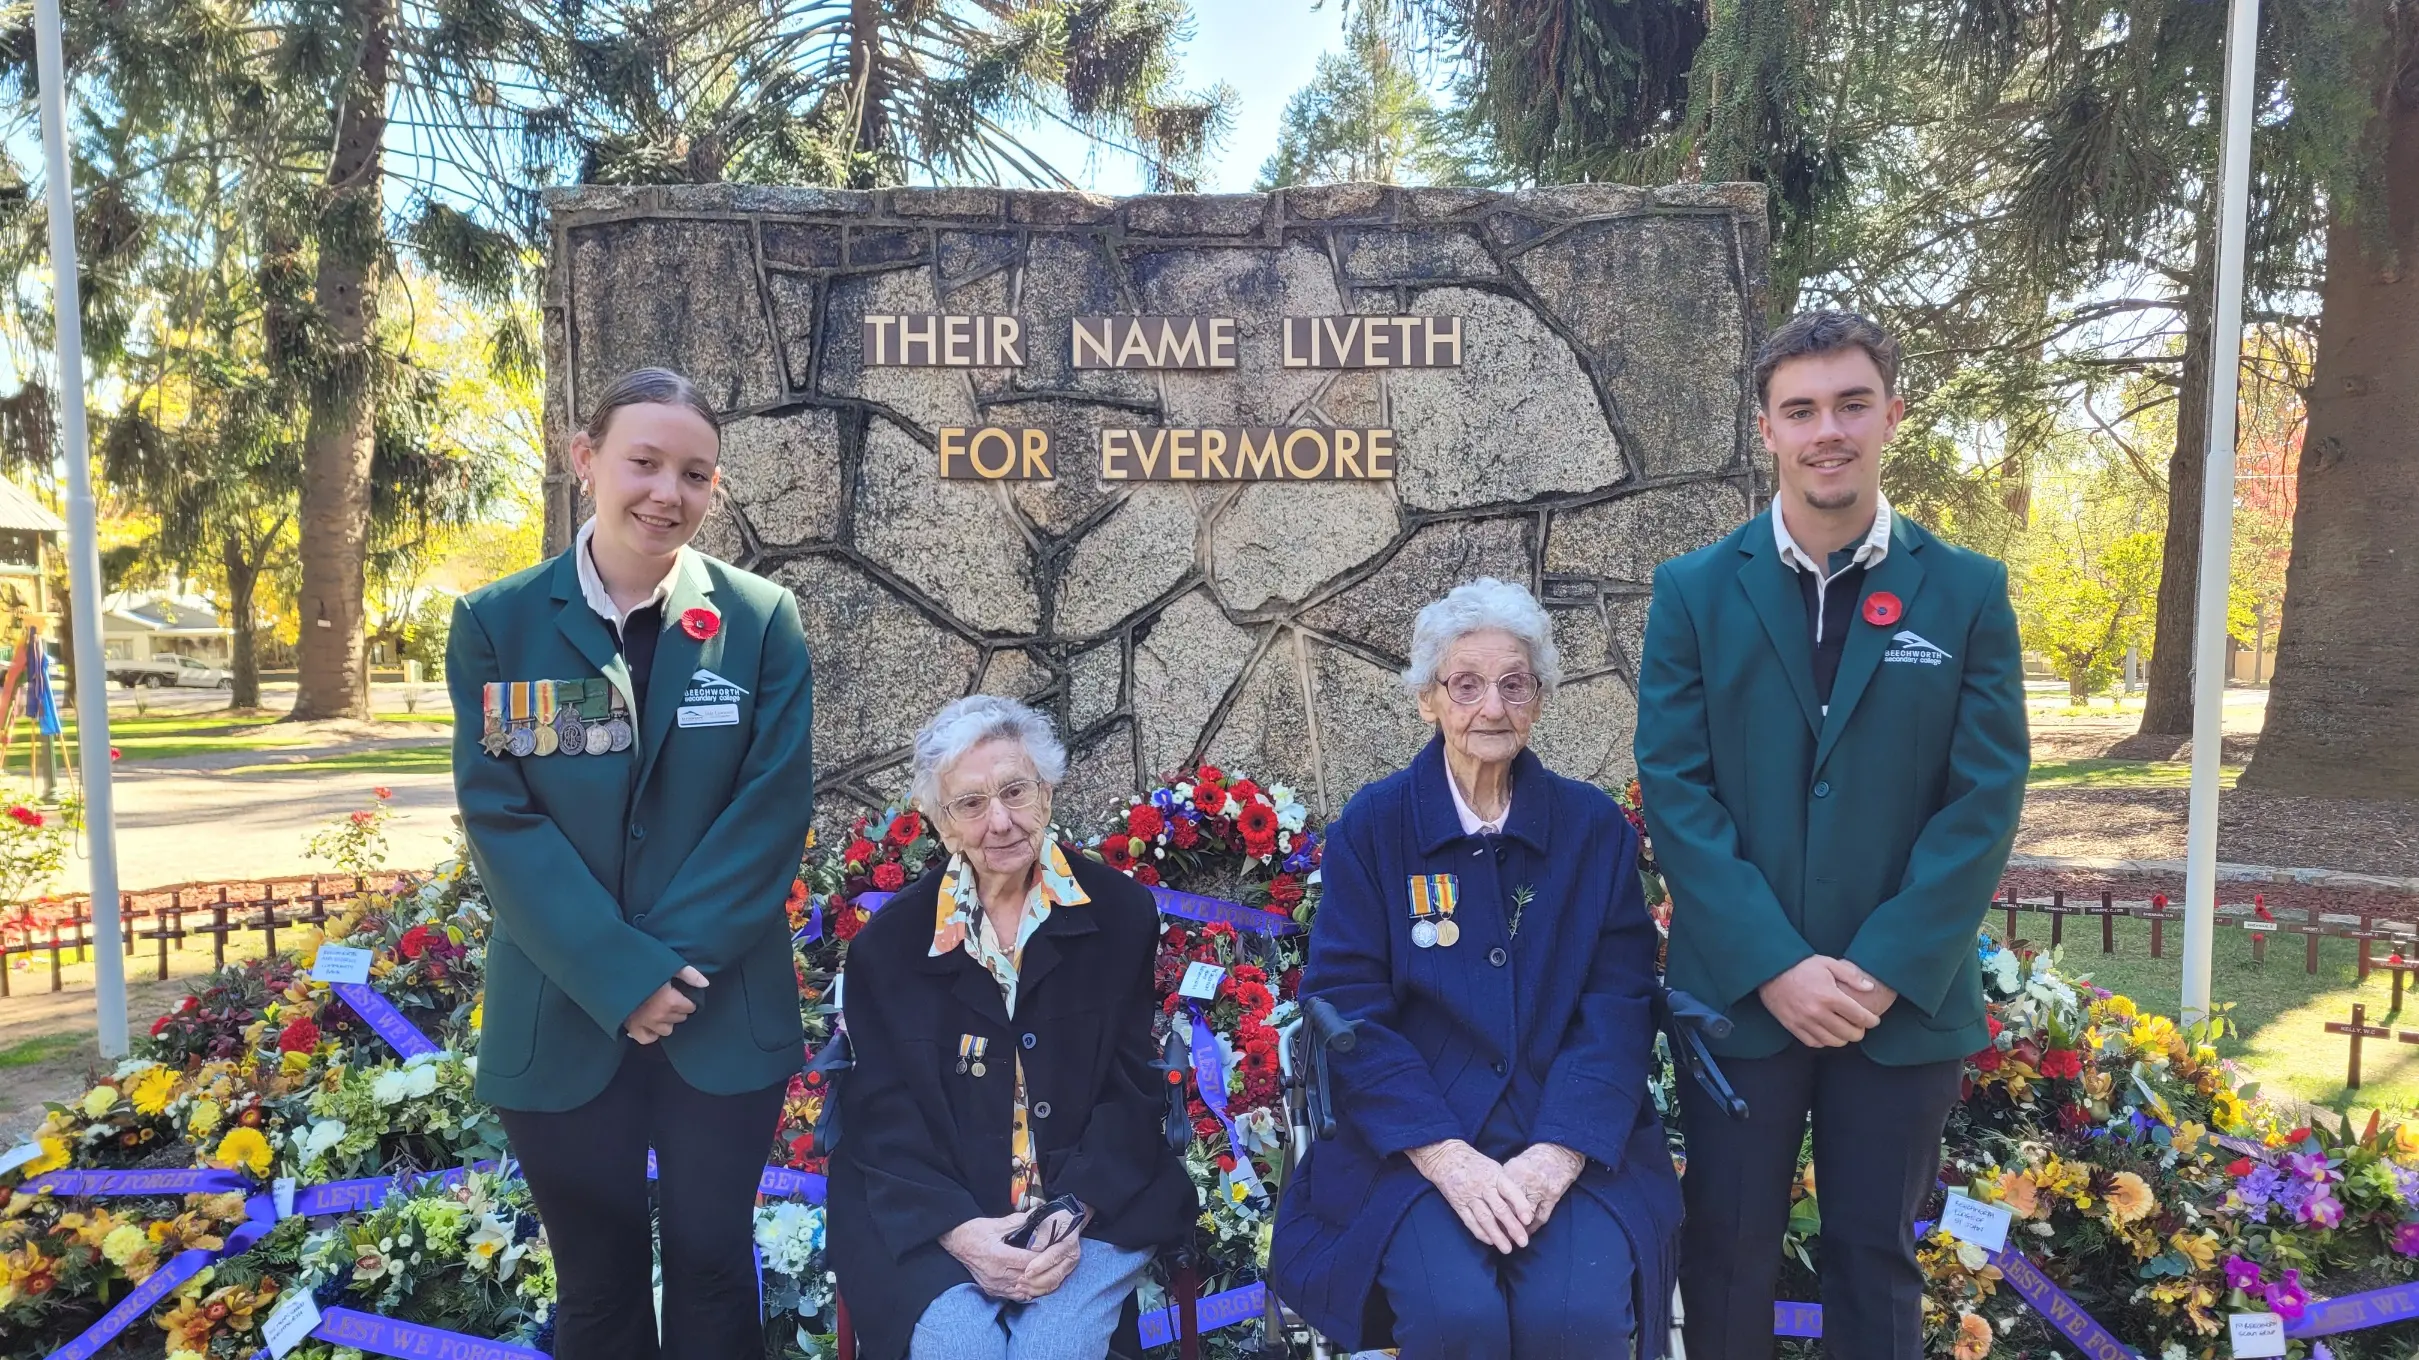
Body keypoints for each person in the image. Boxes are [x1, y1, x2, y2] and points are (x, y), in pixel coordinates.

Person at [1634, 311, 2029, 1359]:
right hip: (1742, 1004)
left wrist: (1881, 967)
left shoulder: (1967, 592)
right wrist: (1775, 965)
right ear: (1765, 427)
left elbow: (1983, 797)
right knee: (1724, 1253)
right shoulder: (1692, 593)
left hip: (1896, 1006)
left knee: (1873, 1255)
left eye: (1851, 404)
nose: (1827, 431)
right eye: (1800, 409)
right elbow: (1676, 791)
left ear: (1890, 415)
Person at [447, 367, 817, 1360]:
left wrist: (668, 971)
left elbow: (771, 808)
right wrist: (622, 976)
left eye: (694, 474)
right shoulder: (497, 623)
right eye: (644, 462)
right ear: (585, 460)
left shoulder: (760, 620)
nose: (668, 492)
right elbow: (501, 818)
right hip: (562, 1013)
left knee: (710, 1263)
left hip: (719, 1008)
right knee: (597, 1285)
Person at [1269, 578, 1683, 1359]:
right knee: (1455, 1316)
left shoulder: (1590, 829)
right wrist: (1446, 1156)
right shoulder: (1375, 825)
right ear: (1428, 700)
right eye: (1465, 685)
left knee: (1578, 1319)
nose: (1490, 708)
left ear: (1539, 699)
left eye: (1513, 684)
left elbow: (1618, 1001)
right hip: (1413, 1143)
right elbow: (1347, 1004)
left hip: (1566, 1136)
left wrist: (1557, 1154)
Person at [828, 695, 1194, 1360]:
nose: (1000, 821)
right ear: (940, 825)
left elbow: (1131, 1088)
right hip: (932, 1218)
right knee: (960, 1346)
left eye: (1015, 791)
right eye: (970, 803)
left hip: (1092, 1209)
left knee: (1054, 1345)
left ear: (1047, 790)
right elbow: (882, 1113)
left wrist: (1070, 1211)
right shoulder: (890, 946)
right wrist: (962, 1232)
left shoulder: (1117, 914)